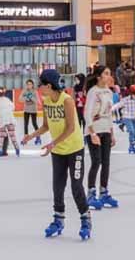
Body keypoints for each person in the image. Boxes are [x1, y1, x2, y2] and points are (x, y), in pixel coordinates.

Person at [21, 69, 92, 241]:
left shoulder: (67, 100)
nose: (39, 88)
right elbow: (46, 126)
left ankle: (85, 219)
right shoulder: (46, 101)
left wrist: (53, 143)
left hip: (74, 149)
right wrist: (31, 135)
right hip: (58, 151)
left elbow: (71, 128)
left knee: (76, 186)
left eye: (40, 85)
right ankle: (58, 219)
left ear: (48, 85)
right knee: (57, 187)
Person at [84, 66, 118, 210]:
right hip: (94, 130)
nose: (109, 76)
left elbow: (109, 114)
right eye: (106, 73)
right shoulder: (93, 92)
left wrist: (112, 133)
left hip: (106, 129)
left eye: (109, 73)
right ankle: (91, 194)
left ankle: (104, 192)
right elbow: (87, 113)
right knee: (96, 162)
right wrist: (92, 133)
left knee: (106, 162)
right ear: (99, 76)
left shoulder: (109, 92)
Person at [115, 84, 135, 154]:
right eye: (134, 94)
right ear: (131, 93)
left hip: (134, 119)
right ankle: (131, 146)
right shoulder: (125, 99)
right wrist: (110, 109)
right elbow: (118, 105)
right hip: (127, 118)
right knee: (132, 131)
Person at [0, 88, 19, 157]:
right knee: (12, 135)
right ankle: (17, 148)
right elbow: (13, 108)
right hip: (11, 119)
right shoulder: (8, 100)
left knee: (1, 136)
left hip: (2, 120)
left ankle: (0, 150)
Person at [21, 79, 40, 144]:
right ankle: (25, 138)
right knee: (25, 124)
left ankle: (38, 137)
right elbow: (20, 99)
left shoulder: (35, 91)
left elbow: (37, 101)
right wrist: (26, 98)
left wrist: (31, 97)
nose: (29, 85)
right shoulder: (24, 91)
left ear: (32, 85)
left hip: (33, 110)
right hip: (26, 110)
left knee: (34, 123)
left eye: (30, 84)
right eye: (28, 84)